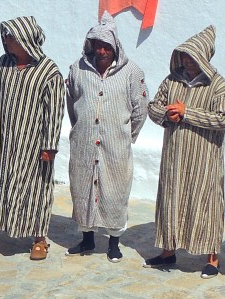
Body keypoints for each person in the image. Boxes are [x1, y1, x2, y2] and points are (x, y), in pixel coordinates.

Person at [0, 17, 64, 261]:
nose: (6, 40)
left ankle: (39, 240)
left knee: (36, 189)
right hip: (3, 141)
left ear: (24, 39)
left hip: (33, 145)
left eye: (10, 36)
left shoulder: (49, 71)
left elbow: (54, 112)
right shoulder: (2, 64)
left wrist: (49, 146)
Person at [145, 26, 225, 279]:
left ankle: (212, 259)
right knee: (171, 202)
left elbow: (222, 119)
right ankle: (167, 252)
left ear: (204, 57)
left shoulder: (218, 86)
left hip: (204, 159)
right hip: (174, 156)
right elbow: (153, 106)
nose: (188, 62)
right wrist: (166, 114)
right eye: (184, 56)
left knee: (206, 205)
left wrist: (187, 113)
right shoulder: (172, 80)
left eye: (193, 57)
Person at [65, 12, 147, 262]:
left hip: (116, 147)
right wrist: (82, 128)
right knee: (82, 190)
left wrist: (126, 136)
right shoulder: (77, 69)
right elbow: (71, 103)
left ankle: (113, 242)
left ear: (115, 46)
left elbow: (140, 109)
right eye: (97, 46)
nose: (101, 51)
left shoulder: (131, 72)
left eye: (106, 46)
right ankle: (87, 238)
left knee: (115, 193)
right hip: (84, 145)